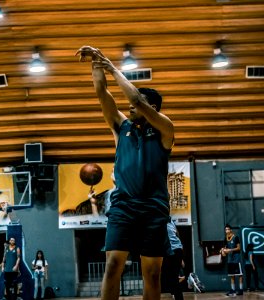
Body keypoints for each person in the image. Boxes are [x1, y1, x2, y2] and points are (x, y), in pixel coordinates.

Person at [76, 45, 174, 300]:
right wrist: (96, 63)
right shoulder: (122, 128)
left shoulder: (165, 129)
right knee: (112, 267)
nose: (130, 107)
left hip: (153, 208)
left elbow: (136, 100)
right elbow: (102, 92)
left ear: (153, 108)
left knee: (152, 274)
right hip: (124, 206)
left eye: (140, 102)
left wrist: (112, 67)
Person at [161, 218, 184, 300]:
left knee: (172, 278)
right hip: (178, 249)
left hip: (171, 250)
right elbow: (177, 234)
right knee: (173, 278)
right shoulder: (170, 221)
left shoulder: (160, 220)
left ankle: (175, 294)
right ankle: (175, 294)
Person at [220, 224, 243, 296]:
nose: (226, 231)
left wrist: (230, 250)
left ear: (231, 230)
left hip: (236, 258)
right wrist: (222, 251)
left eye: (228, 229)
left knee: (239, 275)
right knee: (231, 275)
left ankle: (241, 290)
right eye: (225, 229)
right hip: (230, 259)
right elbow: (224, 249)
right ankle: (233, 290)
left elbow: (239, 248)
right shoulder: (225, 239)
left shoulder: (235, 237)